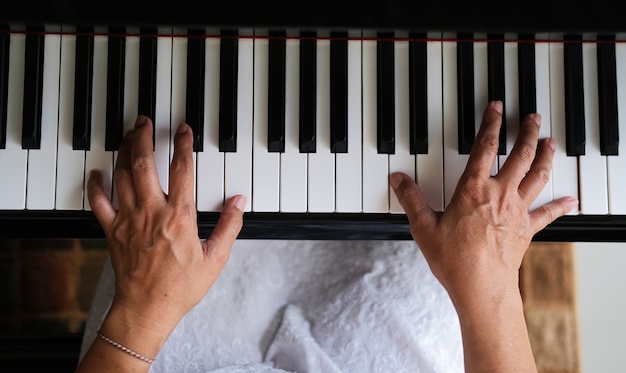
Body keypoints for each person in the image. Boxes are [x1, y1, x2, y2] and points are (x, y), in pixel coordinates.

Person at [74, 100, 577, 373]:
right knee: (444, 226)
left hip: (175, 350)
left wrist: (138, 315)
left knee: (161, 229)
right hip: (384, 351)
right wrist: (489, 290)